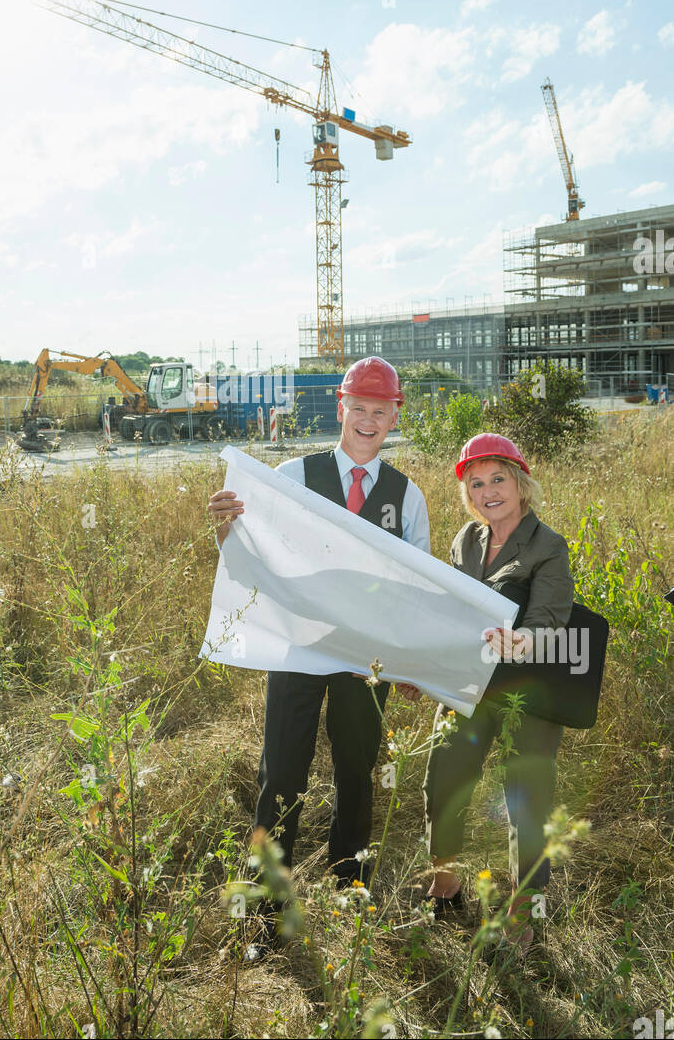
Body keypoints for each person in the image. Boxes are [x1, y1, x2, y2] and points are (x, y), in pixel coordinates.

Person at [207, 357, 430, 896]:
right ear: (341, 408)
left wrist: (411, 663)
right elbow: (253, 553)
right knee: (282, 771)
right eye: (359, 408)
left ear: (394, 415)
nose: (369, 420)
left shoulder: (407, 497)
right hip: (298, 647)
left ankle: (349, 887)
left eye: (381, 410)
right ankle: (266, 898)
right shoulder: (292, 478)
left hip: (364, 660)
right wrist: (224, 529)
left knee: (357, 772)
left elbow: (417, 591)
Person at [399, 433, 573, 954]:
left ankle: (523, 912)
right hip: (468, 685)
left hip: (528, 690)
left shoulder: (548, 545)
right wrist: (421, 669)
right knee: (443, 776)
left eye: (498, 478)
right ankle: (446, 884)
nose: (488, 490)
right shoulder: (465, 542)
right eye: (476, 483)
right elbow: (452, 621)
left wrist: (521, 640)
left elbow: (550, 623)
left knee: (526, 797)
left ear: (520, 482)